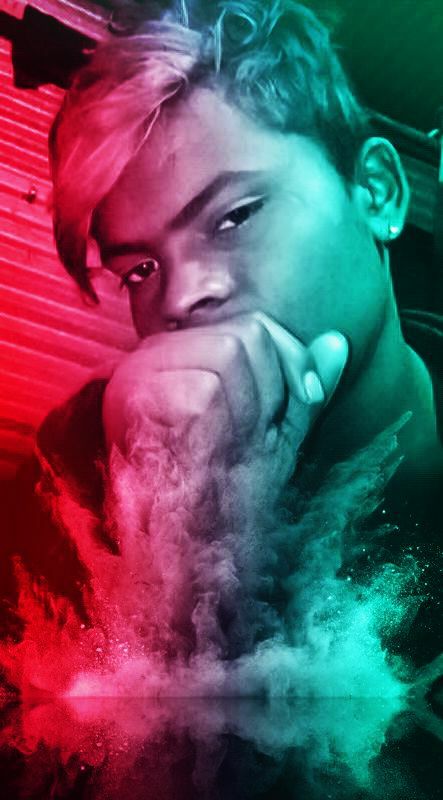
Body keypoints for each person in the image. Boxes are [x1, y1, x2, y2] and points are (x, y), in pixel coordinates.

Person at [1, 0, 442, 696]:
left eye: (234, 216)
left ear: (377, 193)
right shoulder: (84, 466)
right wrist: (167, 540)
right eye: (140, 269)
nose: (178, 298)